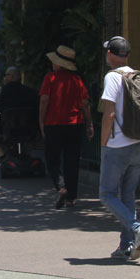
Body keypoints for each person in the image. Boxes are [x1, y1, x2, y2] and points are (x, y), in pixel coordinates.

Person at [99, 36, 140, 261]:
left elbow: (109, 113)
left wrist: (103, 142)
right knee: (128, 194)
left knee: (107, 194)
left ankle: (136, 228)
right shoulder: (138, 76)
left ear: (111, 54)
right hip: (139, 143)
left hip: (118, 145)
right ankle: (127, 246)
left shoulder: (112, 77)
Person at [39, 46, 94, 209]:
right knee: (72, 160)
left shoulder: (50, 78)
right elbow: (85, 104)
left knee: (52, 159)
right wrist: (89, 123)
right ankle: (71, 198)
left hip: (53, 124)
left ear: (58, 64)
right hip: (75, 124)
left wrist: (41, 121)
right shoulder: (77, 80)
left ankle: (61, 186)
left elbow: (44, 100)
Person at [0, 66, 39, 159]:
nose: (4, 78)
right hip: (28, 130)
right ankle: (27, 154)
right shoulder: (32, 92)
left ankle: (2, 156)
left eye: (5, 75)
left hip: (5, 130)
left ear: (12, 77)